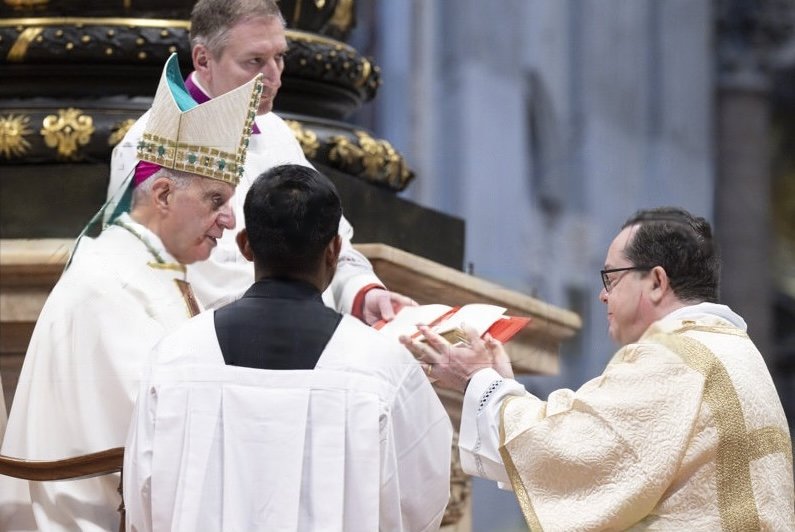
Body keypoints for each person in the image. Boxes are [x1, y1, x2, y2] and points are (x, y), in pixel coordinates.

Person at [402, 206, 795, 530]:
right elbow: (602, 448)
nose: (602, 294)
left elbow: (575, 450)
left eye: (611, 276)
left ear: (656, 281)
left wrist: (477, 380)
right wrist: (505, 388)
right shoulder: (733, 351)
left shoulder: (674, 357)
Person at [0, 54, 262, 531]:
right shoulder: (110, 283)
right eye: (215, 200)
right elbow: (163, 423)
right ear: (162, 195)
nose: (228, 219)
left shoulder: (145, 269)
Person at [123, 164, 453, 531]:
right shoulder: (381, 365)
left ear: (245, 245)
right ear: (334, 250)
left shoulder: (175, 355)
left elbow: (142, 495)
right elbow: (421, 499)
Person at [108, 0, 413, 322]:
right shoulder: (149, 147)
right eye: (254, 61)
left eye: (279, 57)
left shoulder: (275, 132)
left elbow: (325, 234)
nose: (273, 76)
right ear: (203, 60)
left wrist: (362, 292)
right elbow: (154, 278)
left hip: (296, 331)